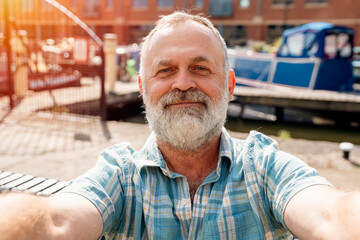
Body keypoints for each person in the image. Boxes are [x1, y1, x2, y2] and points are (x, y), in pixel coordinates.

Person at [1, 11, 360, 240]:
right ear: (143, 89)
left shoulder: (264, 167)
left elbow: (332, 214)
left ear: (230, 86)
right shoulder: (120, 174)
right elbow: (55, 223)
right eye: (165, 70)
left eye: (201, 68)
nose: (183, 83)